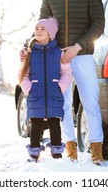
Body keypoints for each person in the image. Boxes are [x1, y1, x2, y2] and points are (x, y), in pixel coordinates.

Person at [39, 0, 105, 165]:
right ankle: (71, 149)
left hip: (82, 55)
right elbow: (42, 26)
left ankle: (96, 150)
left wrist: (77, 47)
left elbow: (98, 25)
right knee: (63, 105)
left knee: (90, 103)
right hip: (58, 58)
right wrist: (33, 44)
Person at [19, 18, 72, 162]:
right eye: (37, 28)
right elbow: (23, 73)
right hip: (35, 93)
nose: (39, 31)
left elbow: (67, 72)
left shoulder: (58, 52)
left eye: (43, 29)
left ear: (51, 34)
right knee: (36, 122)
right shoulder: (29, 53)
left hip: (54, 93)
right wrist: (29, 89)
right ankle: (34, 152)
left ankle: (56, 152)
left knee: (54, 122)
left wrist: (60, 86)